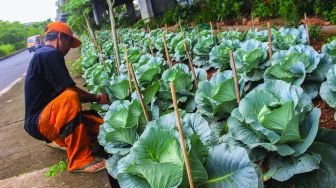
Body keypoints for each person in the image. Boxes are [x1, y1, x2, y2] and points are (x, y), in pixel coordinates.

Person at [24, 22, 109, 173]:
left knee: (101, 128)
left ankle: (59, 140)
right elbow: (70, 91)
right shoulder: (50, 54)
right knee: (70, 97)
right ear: (59, 36)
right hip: (41, 122)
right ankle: (79, 160)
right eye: (69, 42)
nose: (70, 48)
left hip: (50, 118)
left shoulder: (44, 54)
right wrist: (96, 97)